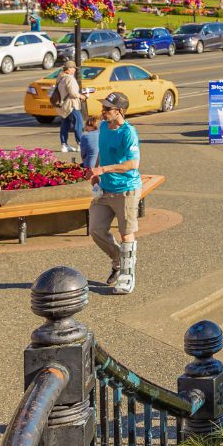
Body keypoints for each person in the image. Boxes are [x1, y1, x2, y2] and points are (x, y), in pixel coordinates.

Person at [89, 92, 143, 294]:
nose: (102, 112)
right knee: (96, 229)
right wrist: (96, 171)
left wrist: (103, 169)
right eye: (102, 108)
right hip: (105, 189)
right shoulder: (103, 127)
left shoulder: (128, 133)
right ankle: (119, 259)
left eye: (107, 109)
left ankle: (127, 276)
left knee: (126, 233)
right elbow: (102, 152)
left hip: (126, 190)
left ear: (119, 111)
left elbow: (133, 164)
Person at [53, 61, 83, 153]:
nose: (75, 70)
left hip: (62, 106)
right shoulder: (70, 78)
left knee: (65, 125)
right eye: (73, 68)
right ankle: (80, 144)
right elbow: (73, 93)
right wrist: (82, 96)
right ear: (69, 69)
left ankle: (64, 145)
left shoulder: (60, 78)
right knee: (78, 124)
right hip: (71, 105)